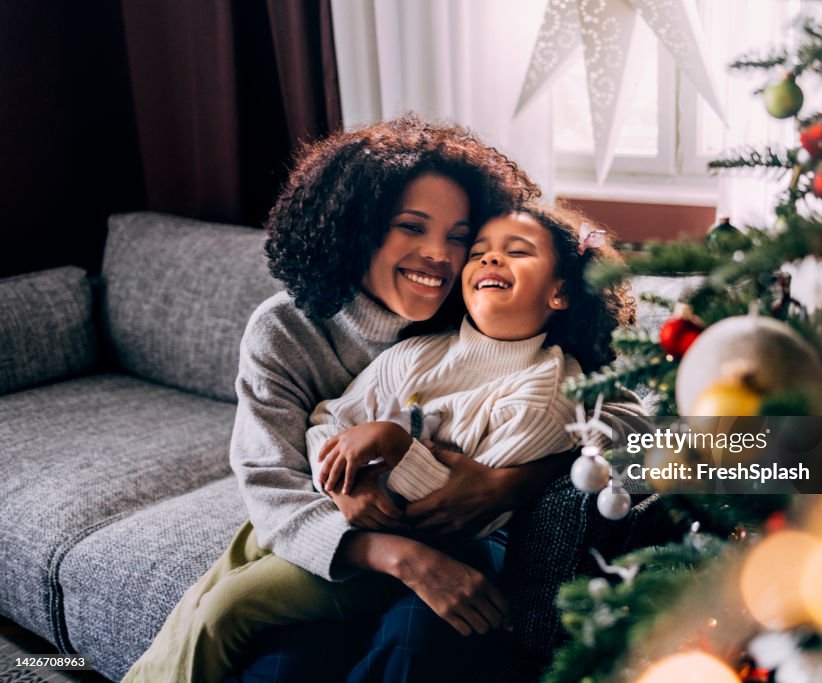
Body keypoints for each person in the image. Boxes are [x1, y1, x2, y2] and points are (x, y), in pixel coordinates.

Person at [123, 115, 570, 683]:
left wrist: (510, 482)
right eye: (412, 226)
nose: (440, 254)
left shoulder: (483, 310)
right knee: (217, 615)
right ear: (355, 226)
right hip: (320, 523)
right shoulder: (283, 329)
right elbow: (270, 485)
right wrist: (395, 552)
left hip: (445, 532)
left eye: (459, 236)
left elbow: (614, 414)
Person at [160, 204, 639, 682]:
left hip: (447, 548)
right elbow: (328, 419)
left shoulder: (548, 388)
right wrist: (344, 477)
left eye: (516, 252)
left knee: (248, 610)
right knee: (262, 650)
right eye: (479, 252)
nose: (491, 261)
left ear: (560, 291)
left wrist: (392, 445)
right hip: (351, 528)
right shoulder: (417, 351)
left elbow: (464, 505)